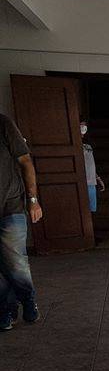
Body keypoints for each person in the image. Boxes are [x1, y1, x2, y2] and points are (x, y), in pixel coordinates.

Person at [0, 112, 42, 331]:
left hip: (11, 205)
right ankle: (6, 310)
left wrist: (33, 200)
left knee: (15, 261)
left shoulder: (3, 124)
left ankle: (27, 300)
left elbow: (25, 161)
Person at [81, 120, 105, 214]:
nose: (82, 128)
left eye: (84, 126)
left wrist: (98, 178)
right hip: (82, 181)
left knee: (91, 210)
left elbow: (90, 164)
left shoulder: (88, 145)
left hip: (91, 182)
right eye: (81, 126)